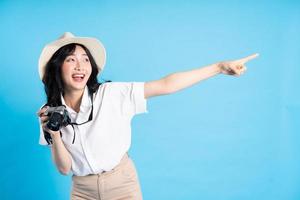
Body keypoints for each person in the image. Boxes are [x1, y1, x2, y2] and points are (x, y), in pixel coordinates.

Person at [37, 32, 259, 200]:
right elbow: (64, 168)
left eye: (85, 59)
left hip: (121, 184)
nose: (80, 66)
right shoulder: (51, 112)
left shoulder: (112, 94)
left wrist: (218, 67)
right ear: (57, 67)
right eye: (71, 60)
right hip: (82, 191)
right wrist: (54, 134)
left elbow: (166, 85)